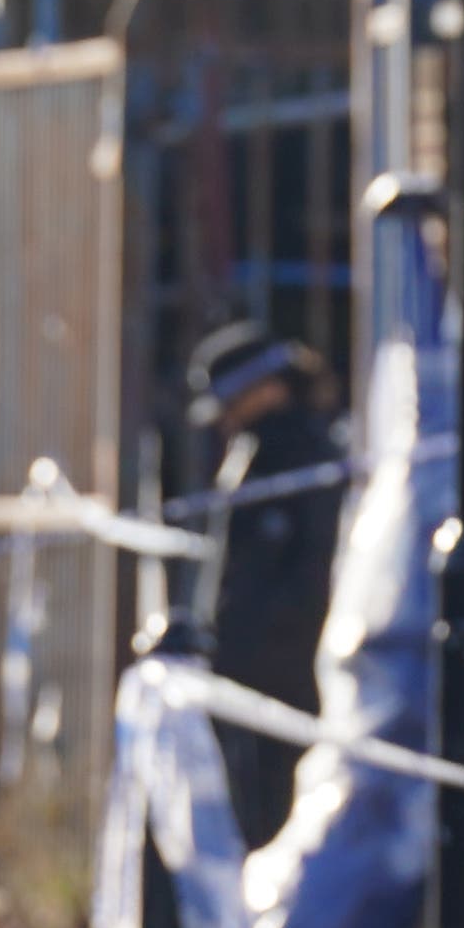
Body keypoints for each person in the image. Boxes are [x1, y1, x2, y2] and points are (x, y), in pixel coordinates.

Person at [180, 324, 343, 849]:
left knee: (273, 814)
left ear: (269, 388)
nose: (226, 418)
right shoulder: (258, 451)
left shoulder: (301, 456)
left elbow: (296, 578)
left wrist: (249, 654)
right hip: (249, 677)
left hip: (280, 682)